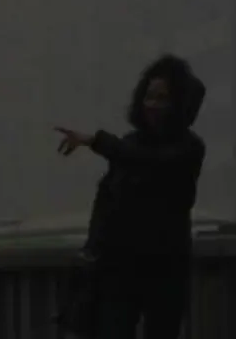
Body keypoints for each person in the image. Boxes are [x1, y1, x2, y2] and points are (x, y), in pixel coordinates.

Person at [56, 54, 207, 339]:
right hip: (119, 268)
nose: (152, 105)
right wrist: (93, 248)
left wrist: (95, 140)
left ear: (179, 103)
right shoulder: (130, 143)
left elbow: (150, 161)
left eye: (163, 98)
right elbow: (107, 202)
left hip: (164, 269)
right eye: (149, 96)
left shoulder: (189, 147)